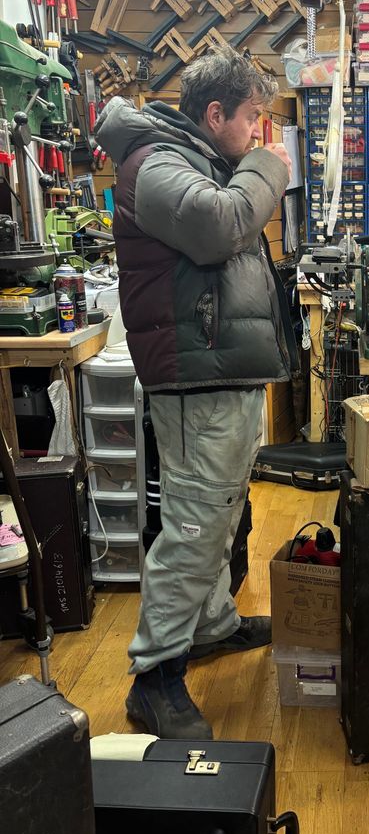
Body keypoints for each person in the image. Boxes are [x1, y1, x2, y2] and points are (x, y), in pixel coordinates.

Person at [95, 48, 297, 739]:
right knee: (194, 521)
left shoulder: (192, 157)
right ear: (215, 113)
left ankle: (210, 623)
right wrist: (268, 167)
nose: (258, 132)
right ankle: (154, 677)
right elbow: (218, 228)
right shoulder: (154, 163)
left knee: (221, 510)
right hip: (194, 376)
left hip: (218, 369)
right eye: (251, 118)